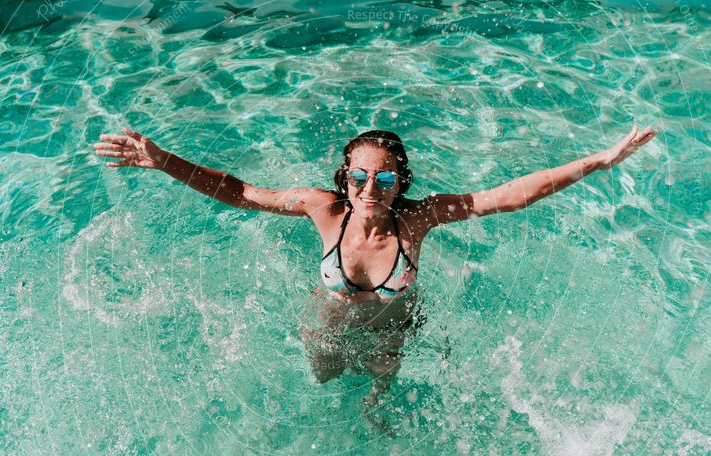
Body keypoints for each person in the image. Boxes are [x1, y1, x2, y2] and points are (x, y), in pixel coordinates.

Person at [94, 124, 658, 433]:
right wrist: (163, 159)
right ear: (345, 178)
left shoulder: (421, 217)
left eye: (384, 176)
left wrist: (600, 162)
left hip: (395, 328)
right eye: (359, 175)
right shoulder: (323, 210)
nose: (370, 186)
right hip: (327, 322)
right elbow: (241, 192)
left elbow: (509, 195)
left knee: (379, 384)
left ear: (399, 180)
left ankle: (373, 410)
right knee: (321, 378)